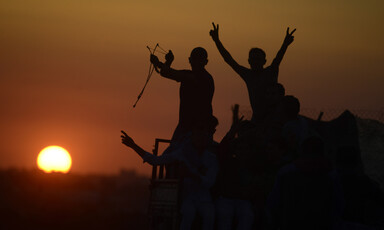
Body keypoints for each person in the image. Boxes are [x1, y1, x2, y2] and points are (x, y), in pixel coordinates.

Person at [121, 120, 218, 230]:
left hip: (205, 199)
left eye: (204, 134)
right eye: (198, 133)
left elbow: (209, 182)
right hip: (188, 198)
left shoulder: (212, 159)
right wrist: (133, 145)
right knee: (188, 213)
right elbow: (155, 160)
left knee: (209, 215)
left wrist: (191, 174)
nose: (201, 138)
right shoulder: (182, 153)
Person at [209, 23, 295, 121]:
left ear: (264, 61)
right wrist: (217, 41)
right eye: (253, 59)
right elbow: (229, 60)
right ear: (249, 61)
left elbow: (278, 58)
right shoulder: (248, 75)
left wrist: (285, 44)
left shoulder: (270, 72)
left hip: (274, 118)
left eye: (258, 59)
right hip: (257, 118)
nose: (256, 62)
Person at [150, 47, 215, 142]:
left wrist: (158, 63)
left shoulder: (204, 78)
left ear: (205, 62)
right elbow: (166, 73)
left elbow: (169, 73)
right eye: (195, 59)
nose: (196, 62)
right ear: (190, 60)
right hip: (185, 126)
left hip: (199, 129)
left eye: (199, 60)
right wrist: (167, 62)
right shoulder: (189, 74)